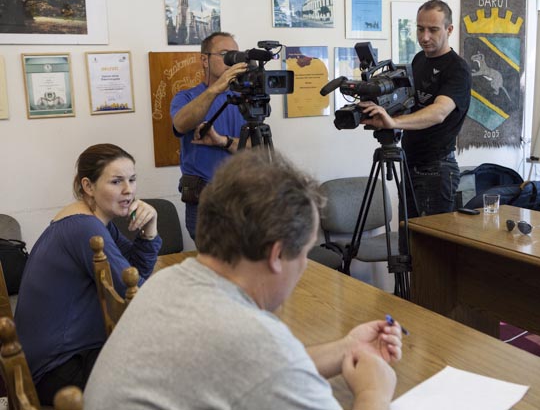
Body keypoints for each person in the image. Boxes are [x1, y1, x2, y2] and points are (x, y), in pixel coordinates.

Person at [84, 149, 402, 410]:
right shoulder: (249, 337)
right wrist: (374, 393)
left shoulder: (167, 282)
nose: (304, 265)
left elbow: (267, 368)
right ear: (277, 254)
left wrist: (348, 347)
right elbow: (264, 360)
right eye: (304, 252)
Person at [13, 143, 162, 405]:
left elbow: (132, 273)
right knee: (162, 372)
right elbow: (134, 295)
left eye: (132, 179)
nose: (128, 190)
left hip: (59, 356)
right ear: (88, 186)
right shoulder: (84, 227)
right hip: (57, 368)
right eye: (116, 181)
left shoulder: (92, 220)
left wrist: (149, 230)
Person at [360, 0, 472, 220]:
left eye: (433, 30)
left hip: (436, 169)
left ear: (449, 29)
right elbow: (409, 103)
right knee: (407, 236)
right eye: (420, 29)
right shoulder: (419, 59)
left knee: (430, 241)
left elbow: (438, 112)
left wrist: (394, 122)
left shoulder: (458, 69)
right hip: (410, 162)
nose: (424, 37)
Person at [170, 31, 248, 239]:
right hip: (204, 203)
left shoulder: (243, 99)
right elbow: (180, 124)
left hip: (241, 200)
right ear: (204, 60)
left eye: (236, 55)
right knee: (212, 259)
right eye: (224, 54)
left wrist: (223, 141)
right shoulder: (186, 97)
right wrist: (217, 88)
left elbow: (255, 147)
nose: (232, 61)